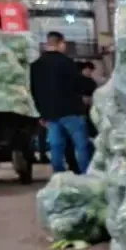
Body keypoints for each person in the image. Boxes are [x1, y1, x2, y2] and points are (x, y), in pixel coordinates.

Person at [30, 32, 91, 174]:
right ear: (61, 43)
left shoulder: (36, 65)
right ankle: (86, 176)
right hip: (71, 111)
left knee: (56, 146)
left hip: (50, 114)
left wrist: (41, 113)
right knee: (81, 145)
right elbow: (78, 84)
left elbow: (34, 91)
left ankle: (59, 176)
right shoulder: (67, 62)